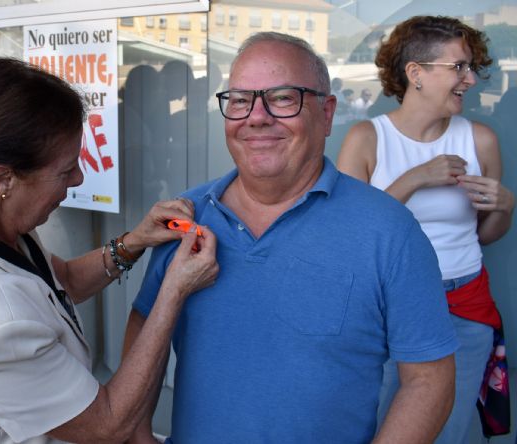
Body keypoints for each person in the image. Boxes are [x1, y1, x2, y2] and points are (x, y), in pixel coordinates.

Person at [123, 31, 458, 443]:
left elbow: (429, 379)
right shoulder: (185, 218)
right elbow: (144, 321)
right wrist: (138, 434)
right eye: (241, 100)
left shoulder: (389, 230)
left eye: (283, 98)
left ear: (327, 113)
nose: (256, 117)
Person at [0, 58, 218, 443]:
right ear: (3, 179)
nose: (79, 178)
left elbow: (60, 280)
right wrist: (174, 290)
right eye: (65, 170)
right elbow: (108, 423)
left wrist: (135, 241)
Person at [337, 16, 514, 444]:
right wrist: (415, 178)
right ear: (415, 72)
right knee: (380, 425)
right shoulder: (367, 139)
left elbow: (485, 234)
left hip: (465, 307)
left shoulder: (481, 140)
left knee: (447, 431)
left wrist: (506, 207)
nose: (471, 80)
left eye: (471, 67)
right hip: (387, 310)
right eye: (459, 67)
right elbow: (346, 236)